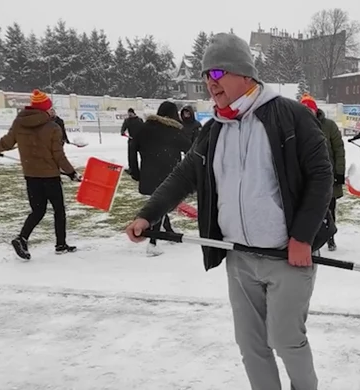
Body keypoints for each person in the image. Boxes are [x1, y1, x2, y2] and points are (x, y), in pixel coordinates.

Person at [124, 32, 333, 390]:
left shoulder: (289, 116)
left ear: (244, 74)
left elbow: (321, 174)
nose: (209, 83)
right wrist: (148, 213)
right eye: (206, 75)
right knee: (251, 346)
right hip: (238, 257)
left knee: (285, 340)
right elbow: (183, 176)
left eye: (217, 74)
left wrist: (303, 237)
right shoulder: (214, 130)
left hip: (287, 255)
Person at [0, 90, 81, 260]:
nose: (51, 111)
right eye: (50, 108)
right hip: (50, 177)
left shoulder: (19, 123)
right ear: (45, 109)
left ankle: (22, 238)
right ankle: (60, 244)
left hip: (31, 176)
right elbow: (58, 156)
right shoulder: (53, 127)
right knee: (59, 210)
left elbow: (6, 142)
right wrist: (71, 172)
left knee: (38, 211)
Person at [128, 101, 192, 256]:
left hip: (149, 174)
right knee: (161, 204)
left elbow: (132, 149)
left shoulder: (143, 129)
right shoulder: (174, 131)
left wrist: (135, 172)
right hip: (169, 175)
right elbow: (190, 149)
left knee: (159, 204)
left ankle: (168, 231)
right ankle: (152, 243)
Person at [300, 93, 345, 251]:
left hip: (328, 176)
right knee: (308, 209)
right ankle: (309, 239)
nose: (306, 113)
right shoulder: (296, 125)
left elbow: (339, 149)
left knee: (329, 208)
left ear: (315, 110)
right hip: (305, 178)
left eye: (309, 110)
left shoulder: (329, 126)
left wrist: (339, 173)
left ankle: (330, 237)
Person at [120, 108, 144, 173]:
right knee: (131, 156)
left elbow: (144, 129)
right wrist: (122, 132)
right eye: (128, 114)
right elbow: (123, 129)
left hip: (140, 140)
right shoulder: (127, 121)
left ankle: (143, 168)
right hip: (131, 140)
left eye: (130, 114)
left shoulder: (139, 120)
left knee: (143, 155)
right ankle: (133, 169)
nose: (129, 115)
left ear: (134, 113)